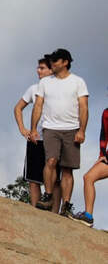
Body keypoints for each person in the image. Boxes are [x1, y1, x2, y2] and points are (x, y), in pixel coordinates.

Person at [32, 49, 89, 217]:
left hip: (72, 129)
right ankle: (48, 195)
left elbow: (84, 107)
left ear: (65, 62)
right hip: (50, 128)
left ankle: (66, 205)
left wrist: (82, 130)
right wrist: (34, 128)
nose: (52, 64)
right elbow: (38, 106)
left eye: (55, 61)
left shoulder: (78, 82)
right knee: (50, 161)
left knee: (67, 169)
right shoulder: (45, 83)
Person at [13, 56, 61, 211]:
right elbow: (18, 108)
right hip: (36, 138)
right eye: (38, 67)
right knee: (33, 179)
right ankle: (35, 211)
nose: (38, 70)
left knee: (55, 180)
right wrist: (23, 129)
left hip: (54, 137)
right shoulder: (33, 89)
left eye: (42, 68)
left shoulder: (61, 88)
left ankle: (54, 215)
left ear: (51, 70)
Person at [70, 102, 108, 227]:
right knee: (88, 178)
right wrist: (102, 155)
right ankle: (88, 216)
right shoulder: (106, 112)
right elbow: (104, 135)